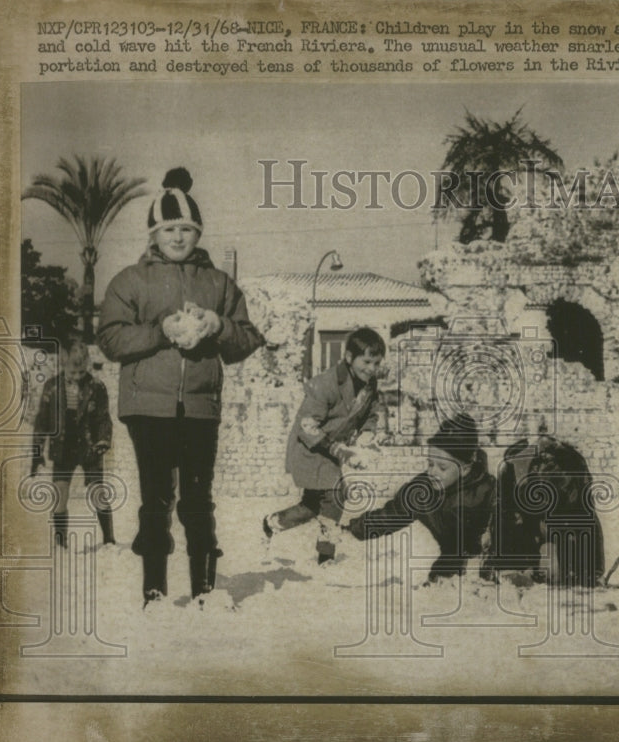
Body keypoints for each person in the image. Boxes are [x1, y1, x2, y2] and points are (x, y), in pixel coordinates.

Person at [97, 167, 264, 605]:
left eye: (186, 229)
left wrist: (219, 324)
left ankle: (204, 589)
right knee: (155, 500)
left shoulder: (218, 283)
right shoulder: (131, 281)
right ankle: (154, 590)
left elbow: (247, 339)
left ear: (198, 233)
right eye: (169, 229)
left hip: (199, 409)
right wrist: (161, 330)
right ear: (154, 234)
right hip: (147, 409)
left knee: (196, 500)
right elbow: (111, 339)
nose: (177, 237)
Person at [264, 327, 388, 550]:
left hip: (331, 451)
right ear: (349, 357)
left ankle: (273, 522)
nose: (372, 369)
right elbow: (307, 426)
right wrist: (338, 450)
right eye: (367, 362)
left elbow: (371, 411)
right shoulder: (325, 384)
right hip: (310, 449)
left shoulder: (369, 385)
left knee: (311, 506)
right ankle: (326, 555)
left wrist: (367, 433)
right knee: (335, 494)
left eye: (377, 363)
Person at [345, 413, 495, 582]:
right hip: (449, 564)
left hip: (487, 566)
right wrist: (350, 531)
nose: (432, 472)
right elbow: (391, 515)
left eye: (442, 467)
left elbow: (508, 531)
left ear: (465, 469)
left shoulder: (487, 491)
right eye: (430, 464)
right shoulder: (423, 490)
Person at [481, 435, 605, 588]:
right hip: (522, 513)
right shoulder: (512, 468)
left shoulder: (575, 470)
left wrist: (591, 572)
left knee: (563, 571)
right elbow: (503, 512)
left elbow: (587, 522)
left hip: (561, 515)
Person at [31, 335, 115, 548]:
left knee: (98, 491)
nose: (77, 377)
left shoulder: (97, 387)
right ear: (63, 365)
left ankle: (109, 540)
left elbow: (104, 418)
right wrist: (37, 451)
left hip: (89, 446)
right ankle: (61, 543)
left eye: (81, 372)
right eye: (72, 372)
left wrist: (103, 440)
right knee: (60, 493)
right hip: (63, 446)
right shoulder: (52, 387)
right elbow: (42, 422)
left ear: (87, 366)